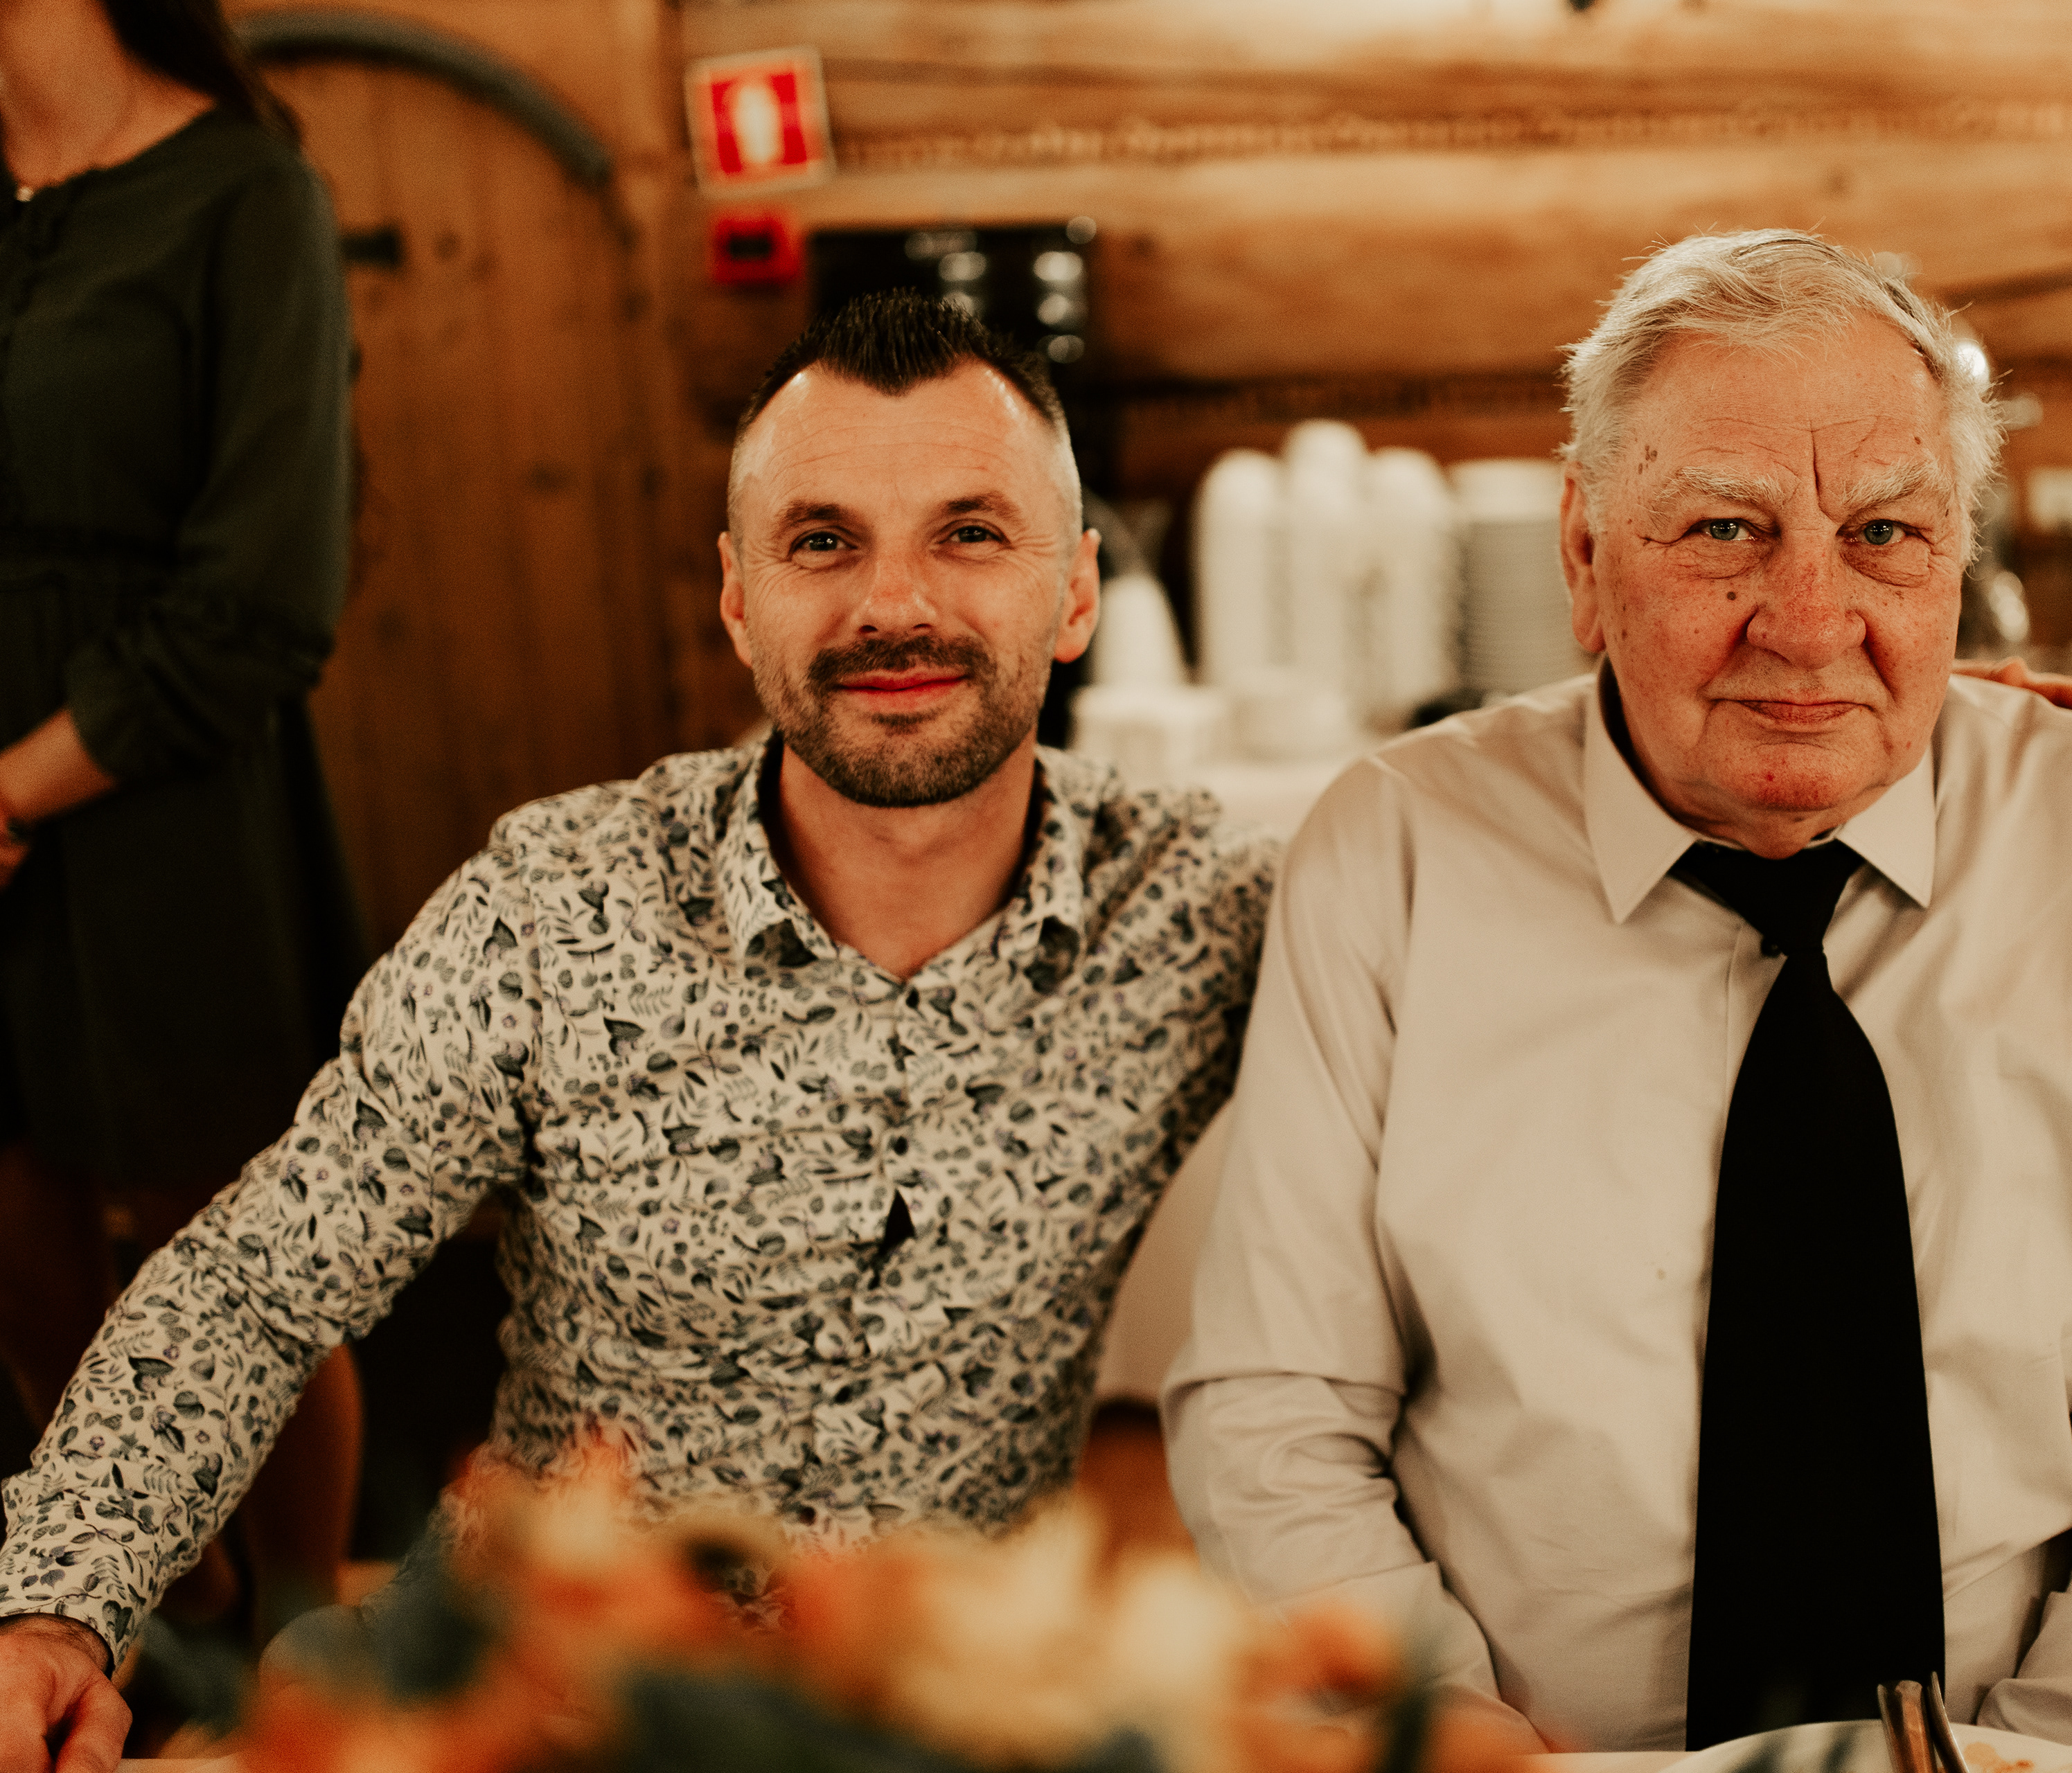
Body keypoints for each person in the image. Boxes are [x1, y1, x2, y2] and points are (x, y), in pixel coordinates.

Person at [0, 291, 1279, 1771]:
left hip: (930, 1709)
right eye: (824, 540)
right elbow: (256, 1284)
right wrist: (55, 1608)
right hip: (543, 1695)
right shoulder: (557, 906)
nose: (895, 606)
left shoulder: (1195, 912)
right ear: (739, 598)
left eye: (970, 533)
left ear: (1076, 593)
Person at [1163, 231, 2072, 1753]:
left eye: (1885, 534)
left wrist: (2062, 1756)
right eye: (1725, 530)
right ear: (1584, 556)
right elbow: (1277, 1405)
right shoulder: (1394, 855)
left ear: (1956, 561)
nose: (1808, 620)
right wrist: (1449, 1735)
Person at [0, 0, 365, 1665]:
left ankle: (305, 1638)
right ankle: (165, 1593)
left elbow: (270, 587)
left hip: (166, 803)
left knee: (235, 1251)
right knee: (19, 1229)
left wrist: (19, 785)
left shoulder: (244, 196)